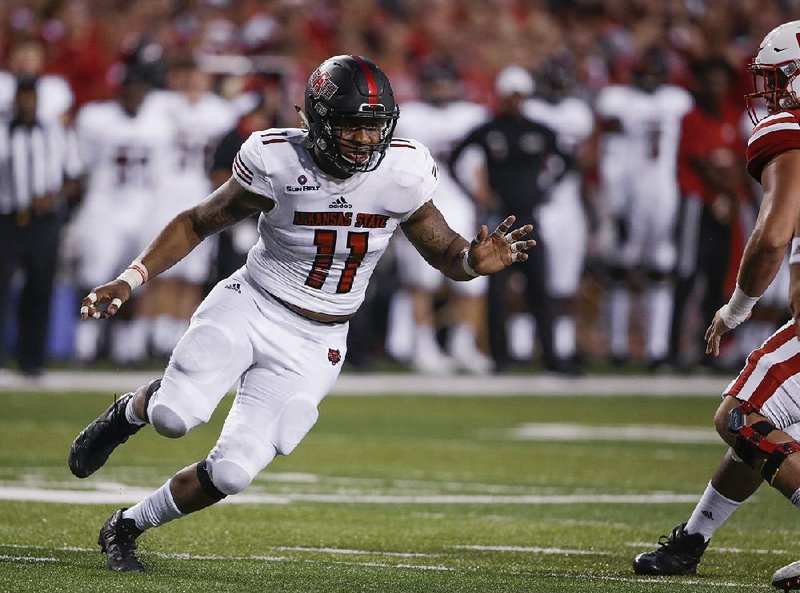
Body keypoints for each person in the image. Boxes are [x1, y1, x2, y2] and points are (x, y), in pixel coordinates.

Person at [67, 55, 536, 573]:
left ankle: (127, 524)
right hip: (253, 303)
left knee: (233, 473)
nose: (364, 138)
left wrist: (472, 260)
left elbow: (446, 251)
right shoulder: (277, 160)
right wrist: (130, 278)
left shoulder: (402, 171)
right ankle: (128, 412)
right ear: (317, 118)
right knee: (173, 417)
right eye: (352, 124)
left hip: (319, 338)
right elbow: (197, 222)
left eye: (374, 125)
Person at [631, 22, 800, 592]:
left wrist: (740, 304)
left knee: (739, 417)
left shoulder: (790, 129)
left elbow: (774, 234)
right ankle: (694, 538)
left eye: (776, 80)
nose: (769, 94)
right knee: (764, 428)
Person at [448, 65, 570, 373]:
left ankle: (552, 358)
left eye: (519, 95)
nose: (515, 101)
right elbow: (454, 158)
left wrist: (546, 188)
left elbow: (569, 161)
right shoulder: (489, 129)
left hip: (529, 221)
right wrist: (474, 194)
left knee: (540, 290)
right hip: (499, 224)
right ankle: (499, 358)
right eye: (511, 95)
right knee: (497, 293)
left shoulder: (538, 130)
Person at [386, 64, 493, 375]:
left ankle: (463, 345)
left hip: (461, 206)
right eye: (435, 83)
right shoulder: (408, 116)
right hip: (418, 207)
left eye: (446, 82)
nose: (441, 89)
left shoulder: (472, 116)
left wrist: (482, 202)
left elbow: (479, 165)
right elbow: (390, 165)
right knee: (422, 283)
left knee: (472, 279)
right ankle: (424, 346)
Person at [595, 46, 693, 368]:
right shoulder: (621, 101)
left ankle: (657, 348)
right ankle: (618, 347)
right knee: (621, 268)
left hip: (664, 191)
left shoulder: (675, 100)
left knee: (660, 269)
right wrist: (615, 203)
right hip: (632, 190)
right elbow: (612, 152)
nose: (650, 79)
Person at [0, 75, 82, 377]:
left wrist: (55, 196)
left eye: (29, 95)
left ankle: (32, 360)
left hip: (44, 222)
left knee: (39, 289)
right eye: (20, 96)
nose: (25, 102)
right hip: (6, 219)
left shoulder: (56, 133)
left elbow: (74, 178)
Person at [670, 57, 748, 369]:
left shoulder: (730, 117)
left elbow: (740, 163)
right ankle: (674, 349)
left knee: (719, 279)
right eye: (711, 80)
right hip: (697, 203)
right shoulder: (693, 118)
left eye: (721, 80)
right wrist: (723, 194)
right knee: (687, 275)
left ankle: (711, 351)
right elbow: (701, 162)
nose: (716, 86)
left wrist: (730, 197)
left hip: (725, 207)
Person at [523, 57, 595, 368]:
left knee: (565, 282)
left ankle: (561, 345)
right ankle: (522, 344)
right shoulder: (531, 112)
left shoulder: (577, 112)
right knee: (531, 278)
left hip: (568, 204)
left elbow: (587, 158)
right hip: (536, 203)